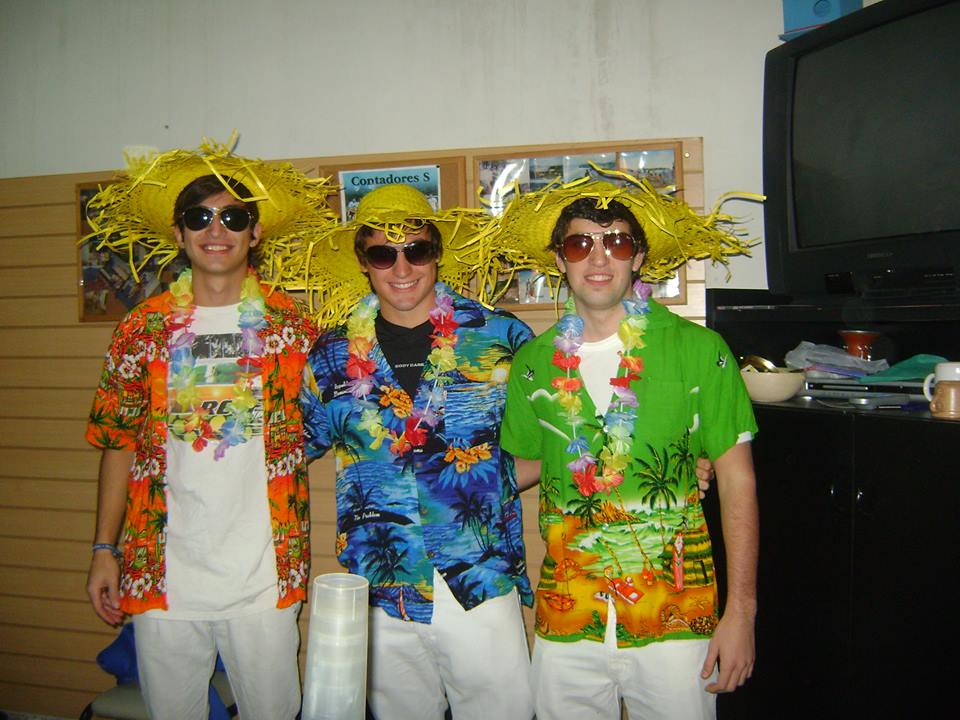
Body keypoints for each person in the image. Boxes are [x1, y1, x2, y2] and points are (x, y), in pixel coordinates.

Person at [83, 138, 336, 720]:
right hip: (162, 573)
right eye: (199, 218)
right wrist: (103, 549)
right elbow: (117, 442)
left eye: (233, 217)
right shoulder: (141, 330)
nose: (215, 230)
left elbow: (332, 423)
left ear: (255, 233)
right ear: (179, 233)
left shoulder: (294, 329)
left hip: (264, 575)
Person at [496, 172, 759, 719]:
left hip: (676, 619)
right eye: (580, 243)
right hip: (568, 622)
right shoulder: (533, 363)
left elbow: (738, 481)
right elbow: (525, 464)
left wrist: (742, 613)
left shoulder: (699, 350)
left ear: (637, 256)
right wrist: (435, 475)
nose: (598, 258)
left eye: (615, 241)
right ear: (560, 259)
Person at [299, 184, 536, 720]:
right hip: (381, 584)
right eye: (384, 253)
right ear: (364, 261)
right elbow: (293, 446)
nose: (402, 268)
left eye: (417, 250)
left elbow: (562, 435)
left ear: (437, 253)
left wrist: (486, 482)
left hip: (478, 578)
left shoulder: (501, 337)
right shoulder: (330, 354)